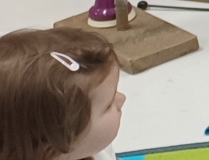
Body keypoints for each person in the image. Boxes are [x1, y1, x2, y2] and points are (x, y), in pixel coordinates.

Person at [0, 28, 124, 160]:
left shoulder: (89, 146)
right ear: (51, 151)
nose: (122, 99)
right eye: (108, 105)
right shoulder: (91, 145)